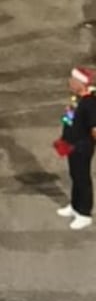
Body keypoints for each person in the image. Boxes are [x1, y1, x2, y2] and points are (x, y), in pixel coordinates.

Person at [54, 64, 96, 231]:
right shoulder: (76, 99)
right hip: (72, 145)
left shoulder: (90, 103)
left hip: (82, 147)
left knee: (82, 179)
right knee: (74, 176)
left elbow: (94, 128)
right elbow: (70, 120)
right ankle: (75, 206)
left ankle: (84, 214)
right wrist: (67, 117)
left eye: (73, 80)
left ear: (81, 83)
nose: (70, 82)